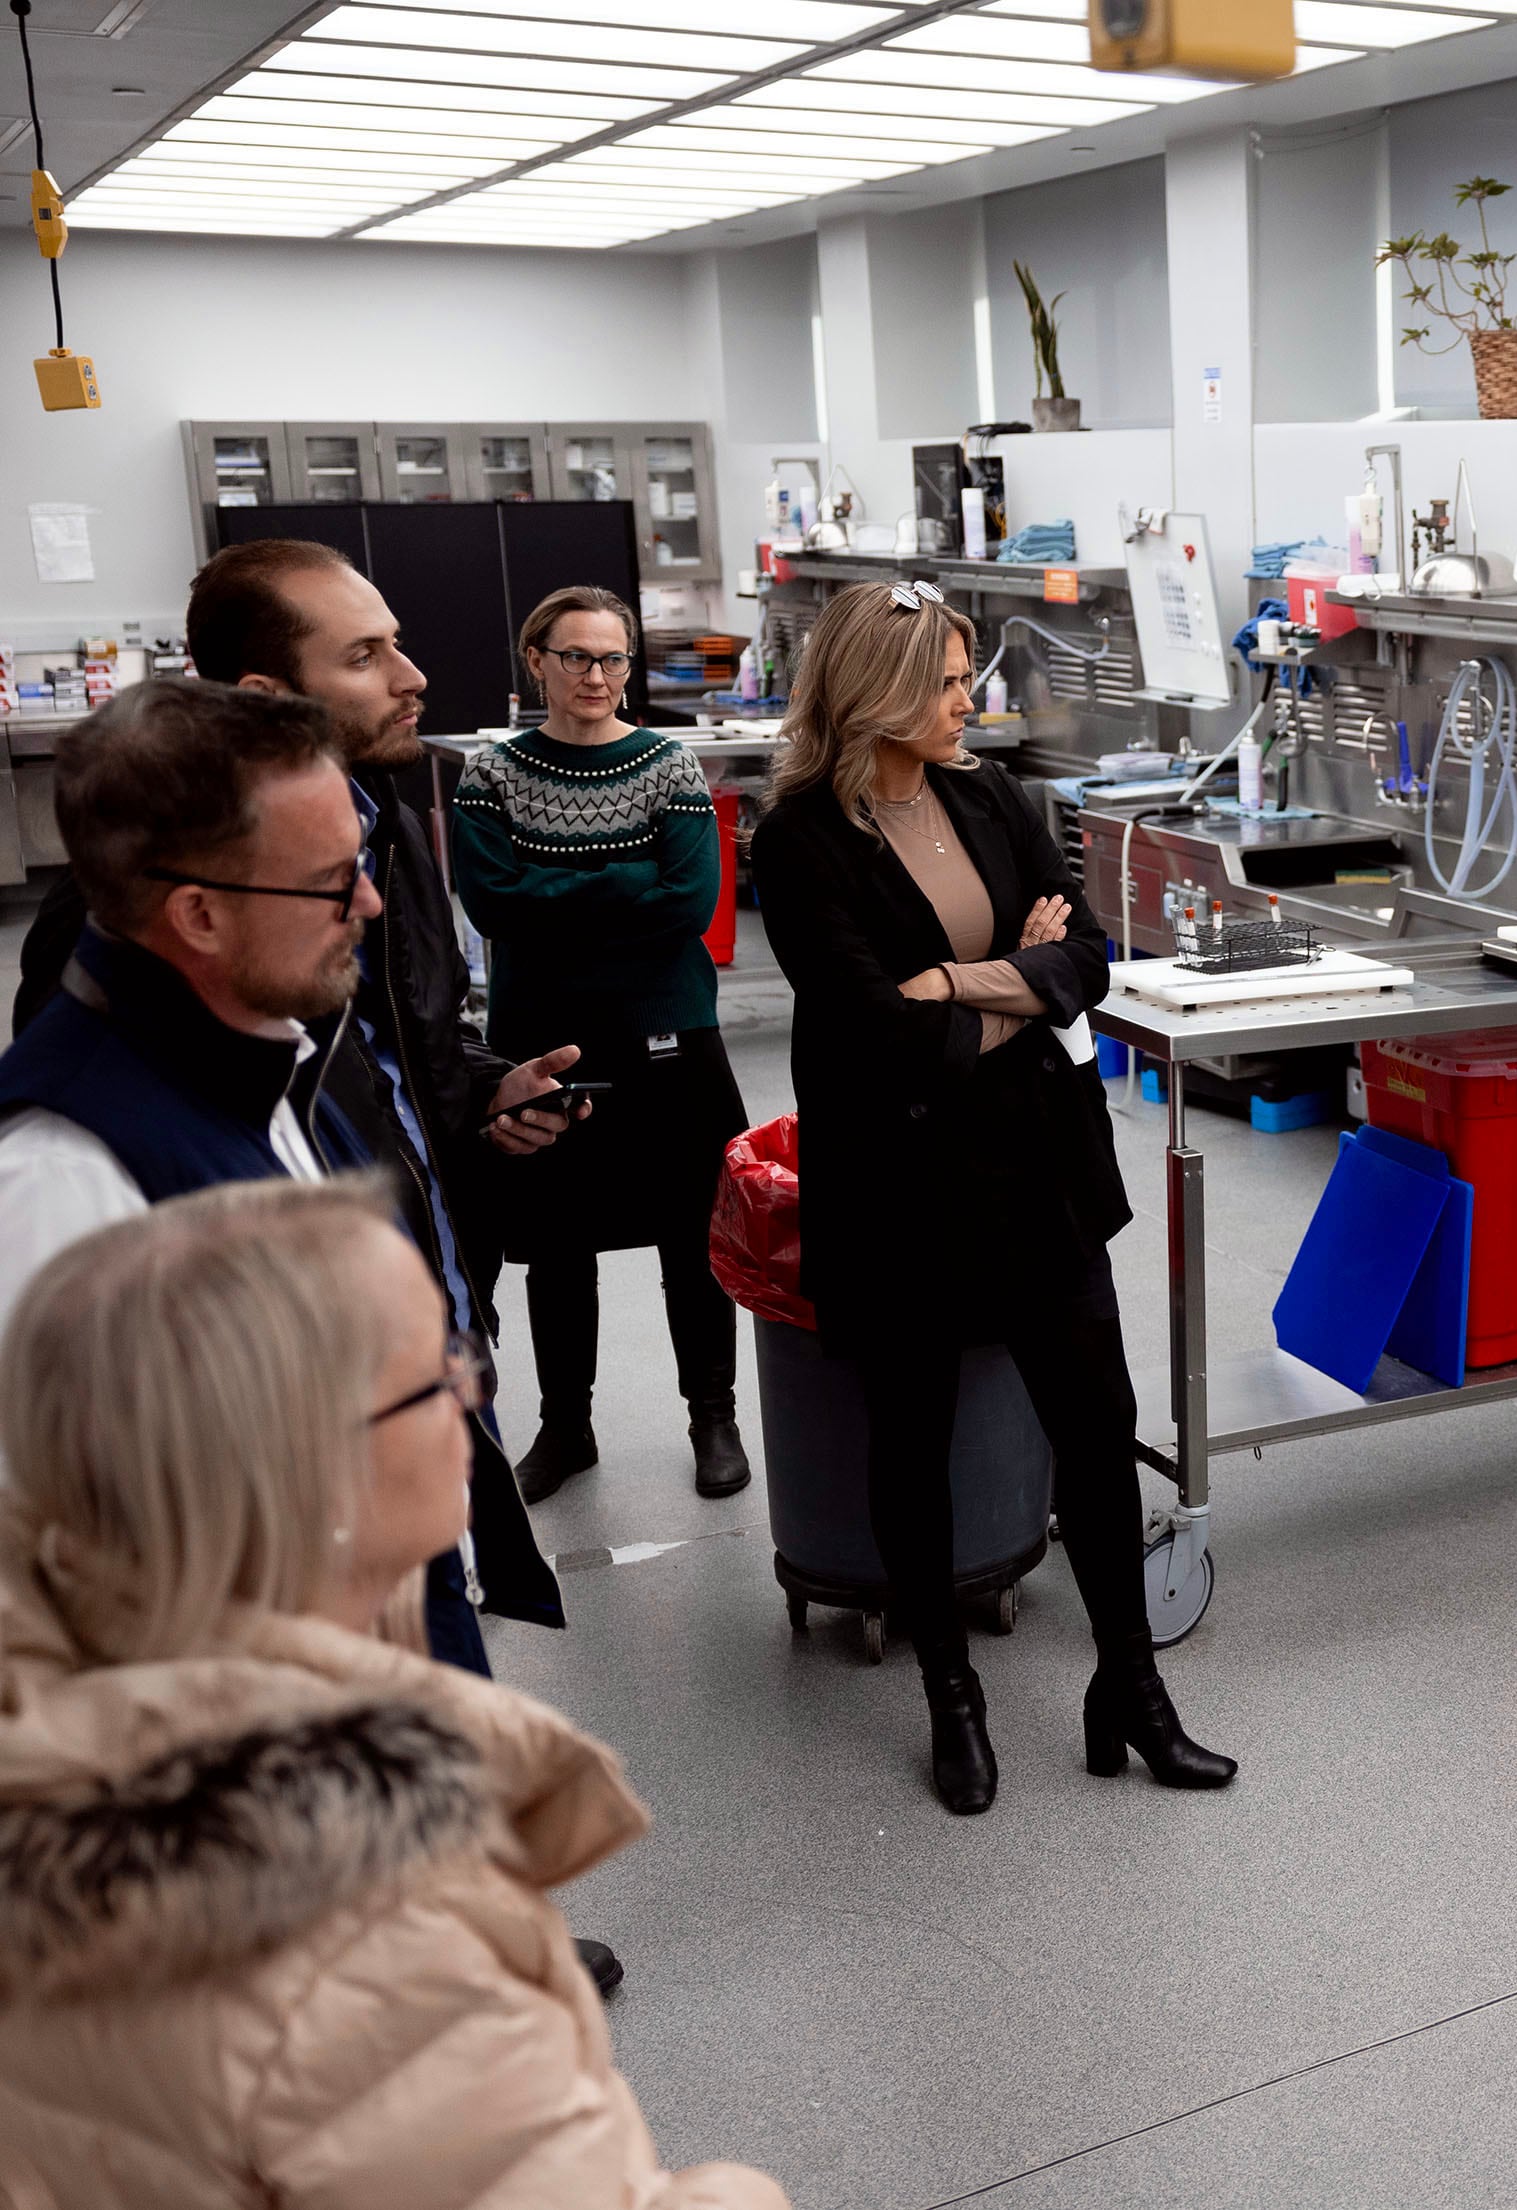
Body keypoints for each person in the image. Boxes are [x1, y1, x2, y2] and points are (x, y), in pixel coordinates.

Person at [0, 1178, 790, 2210]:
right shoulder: (371, 1942)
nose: (473, 1387)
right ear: (310, 1474)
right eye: (437, 1369)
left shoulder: (64, 1745)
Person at [9, 539, 572, 1666]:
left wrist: (472, 1100)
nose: (413, 676)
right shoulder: (76, 1145)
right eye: (366, 654)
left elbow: (396, 1056)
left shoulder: (361, 842)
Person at [751, 578, 1234, 1816]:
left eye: (969, 678)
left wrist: (958, 982)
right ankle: (951, 1697)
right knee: (910, 1446)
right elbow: (877, 1037)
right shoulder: (802, 837)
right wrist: (1012, 984)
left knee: (1095, 1426)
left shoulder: (997, 796)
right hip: (900, 1191)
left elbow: (1087, 961)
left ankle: (1130, 1687)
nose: (974, 701)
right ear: (880, 693)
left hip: (1037, 1171)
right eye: (951, 682)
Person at [451, 584, 749, 1504]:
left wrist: (559, 890)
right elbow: (493, 904)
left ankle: (713, 1415)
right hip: (540, 1038)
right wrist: (626, 878)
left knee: (689, 1236)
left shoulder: (670, 767)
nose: (596, 674)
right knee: (555, 1242)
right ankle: (565, 1426)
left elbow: (689, 906)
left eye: (613, 657)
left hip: (669, 1032)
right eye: (576, 655)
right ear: (534, 659)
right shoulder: (491, 773)